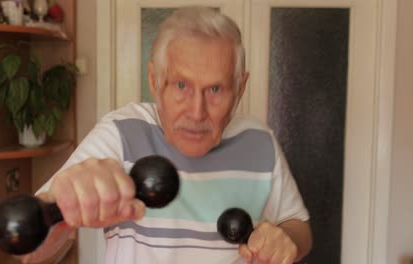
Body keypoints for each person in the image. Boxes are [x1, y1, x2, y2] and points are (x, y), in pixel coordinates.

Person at [22, 6, 312, 264]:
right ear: (154, 80)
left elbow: (298, 226)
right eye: (182, 86)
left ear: (240, 87)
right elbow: (29, 250)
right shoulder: (121, 135)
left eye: (215, 90)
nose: (197, 112)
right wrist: (61, 213)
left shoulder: (260, 141)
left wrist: (285, 241)